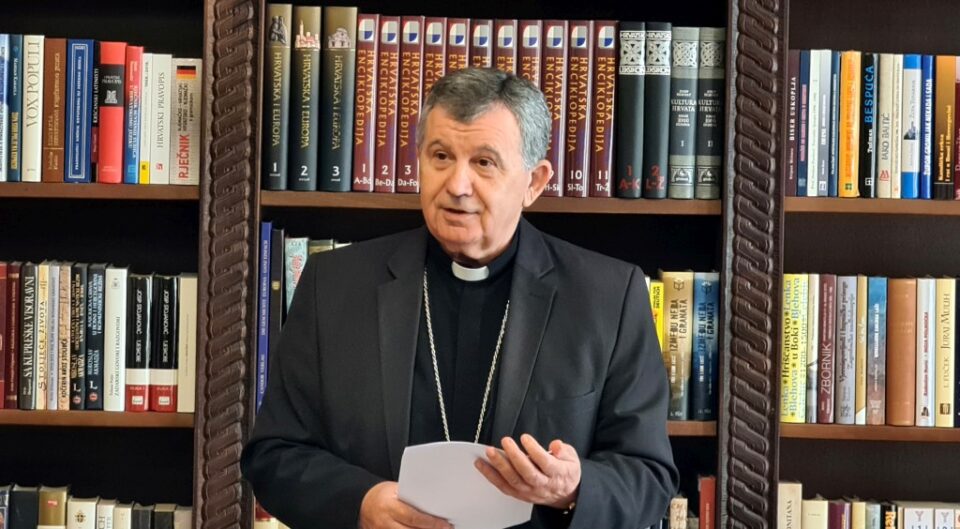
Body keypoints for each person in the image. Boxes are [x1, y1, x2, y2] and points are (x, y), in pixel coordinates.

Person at [241, 67, 678, 529]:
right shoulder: (335, 285)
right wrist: (361, 503)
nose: (457, 185)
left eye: (484, 162)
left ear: (535, 181)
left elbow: (649, 476)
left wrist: (571, 488)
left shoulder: (608, 296)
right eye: (441, 156)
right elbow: (273, 455)